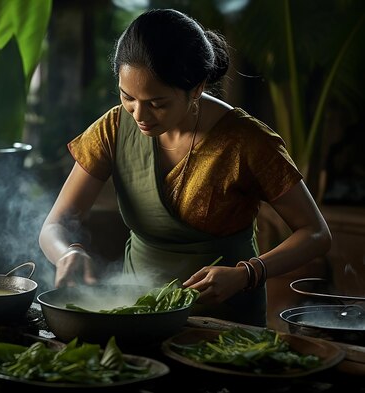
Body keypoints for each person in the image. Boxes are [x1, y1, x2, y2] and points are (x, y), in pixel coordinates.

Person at [38, 8, 331, 326]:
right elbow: (56, 225)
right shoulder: (112, 128)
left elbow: (316, 233)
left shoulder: (247, 141)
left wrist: (247, 273)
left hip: (225, 320)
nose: (139, 115)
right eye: (128, 98)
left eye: (157, 103)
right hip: (135, 312)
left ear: (197, 88)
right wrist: (68, 253)